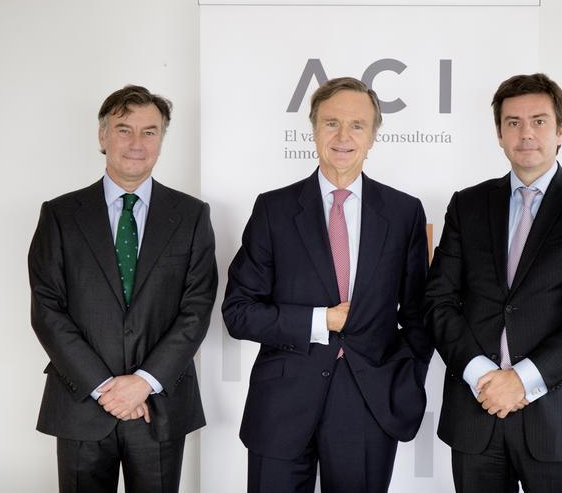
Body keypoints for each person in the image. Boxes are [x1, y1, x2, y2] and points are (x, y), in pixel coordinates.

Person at [223, 77, 432, 493]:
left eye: (357, 125)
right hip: (281, 404)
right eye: (331, 123)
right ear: (314, 129)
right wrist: (322, 320)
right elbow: (239, 312)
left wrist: (401, 378)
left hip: (369, 401)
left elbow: (420, 316)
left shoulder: (404, 212)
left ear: (373, 136)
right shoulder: (273, 209)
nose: (343, 136)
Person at [426, 73, 562, 492]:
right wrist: (482, 375)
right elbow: (438, 301)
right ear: (499, 134)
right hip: (477, 412)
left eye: (539, 121)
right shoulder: (467, 205)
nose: (526, 134)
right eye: (513, 122)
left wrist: (520, 380)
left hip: (557, 419)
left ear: (560, 131)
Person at [29, 85, 218, 493]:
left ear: (161, 140)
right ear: (103, 136)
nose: (137, 143)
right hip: (82, 402)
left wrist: (143, 382)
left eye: (149, 132)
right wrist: (104, 387)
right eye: (124, 129)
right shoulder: (60, 215)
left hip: (159, 405)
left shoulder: (191, 216)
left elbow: (197, 309)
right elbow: (47, 310)